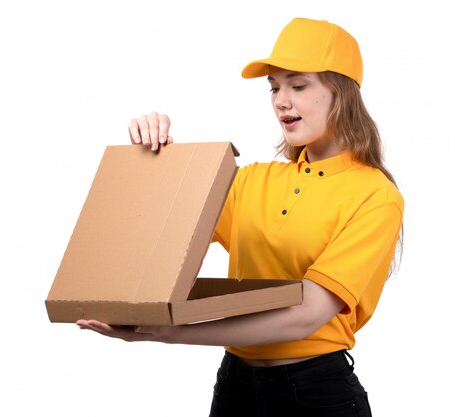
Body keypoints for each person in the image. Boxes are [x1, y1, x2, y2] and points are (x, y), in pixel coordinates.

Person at [77, 17, 404, 417]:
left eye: (298, 85)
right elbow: (149, 240)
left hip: (317, 394)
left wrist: (171, 332)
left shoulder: (374, 194)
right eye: (274, 88)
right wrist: (154, 159)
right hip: (235, 387)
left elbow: (304, 318)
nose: (281, 100)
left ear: (343, 93)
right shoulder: (250, 181)